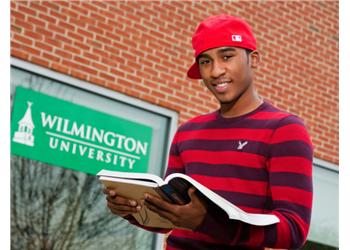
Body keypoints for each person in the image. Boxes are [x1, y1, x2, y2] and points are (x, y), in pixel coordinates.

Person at [104, 14, 313, 249]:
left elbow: (294, 230)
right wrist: (131, 209)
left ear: (253, 59)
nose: (215, 71)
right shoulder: (188, 132)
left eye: (226, 56)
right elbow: (172, 216)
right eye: (205, 61)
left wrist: (206, 223)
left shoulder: (284, 129)